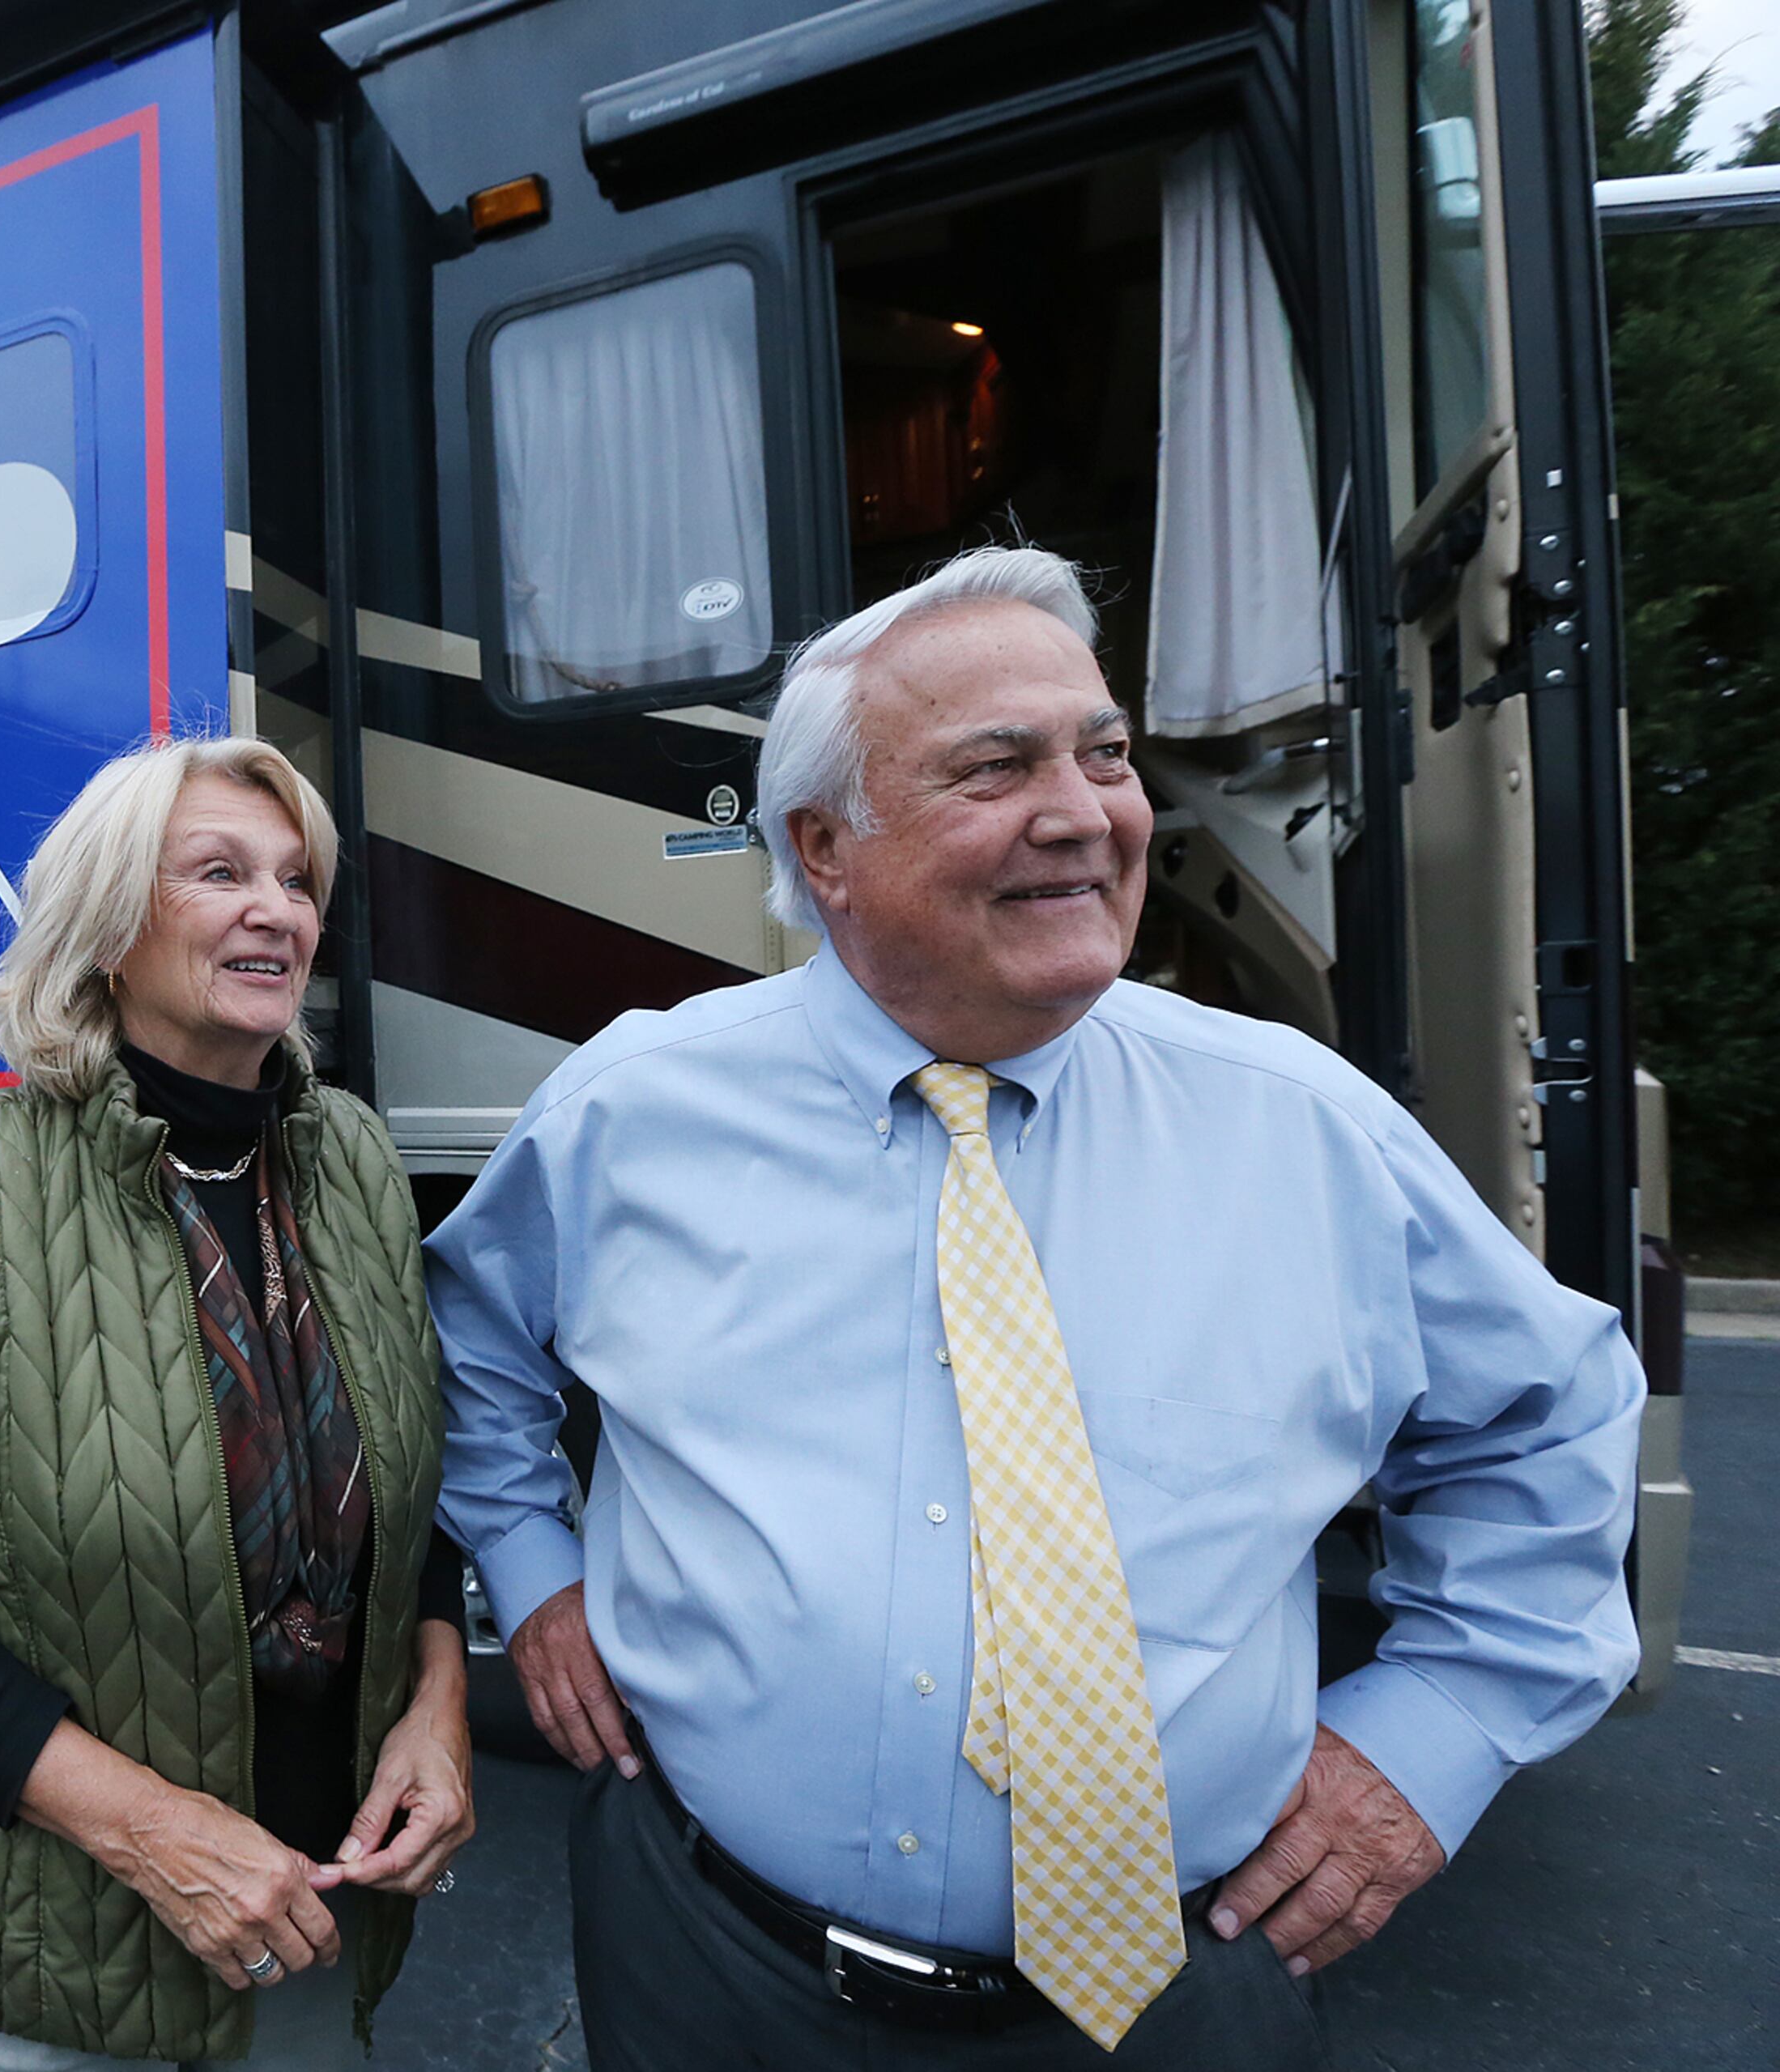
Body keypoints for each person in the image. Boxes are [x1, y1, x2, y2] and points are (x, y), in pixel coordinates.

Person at [426, 547, 1643, 2070]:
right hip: (708, 1958)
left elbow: (1546, 1415)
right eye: (994, 768)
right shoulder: (632, 1109)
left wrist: (1433, 1740)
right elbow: (469, 1345)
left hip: (1181, 1987)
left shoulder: (1302, 1129)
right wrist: (535, 1569)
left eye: (1105, 751)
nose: (1086, 812)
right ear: (825, 849)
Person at [0, 734, 473, 2071]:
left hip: (312, 1913)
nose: (275, 910)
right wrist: (152, 1834)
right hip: (67, 1961)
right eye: (220, 872)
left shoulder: (348, 1158)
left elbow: (413, 1487)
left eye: (296, 881)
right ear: (109, 925)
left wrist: (437, 1708)